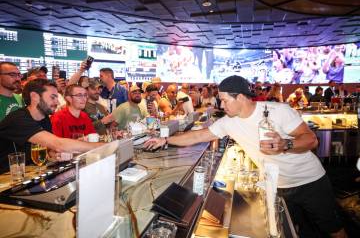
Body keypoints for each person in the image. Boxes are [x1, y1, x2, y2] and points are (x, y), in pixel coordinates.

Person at [144, 75, 347, 238]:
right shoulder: (229, 121)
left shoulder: (278, 111)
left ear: (240, 97)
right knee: (291, 229)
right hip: (277, 185)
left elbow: (311, 140)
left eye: (224, 100)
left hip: (309, 181)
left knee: (333, 228)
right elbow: (198, 135)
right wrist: (166, 140)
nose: (221, 106)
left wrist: (285, 144)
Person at [0, 79, 102, 173]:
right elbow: (58, 144)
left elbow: (50, 151)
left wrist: (54, 156)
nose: (57, 102)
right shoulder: (19, 119)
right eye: (53, 97)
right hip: (6, 181)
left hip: (29, 174)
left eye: (57, 97)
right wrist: (103, 147)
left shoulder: (44, 118)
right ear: (34, 96)